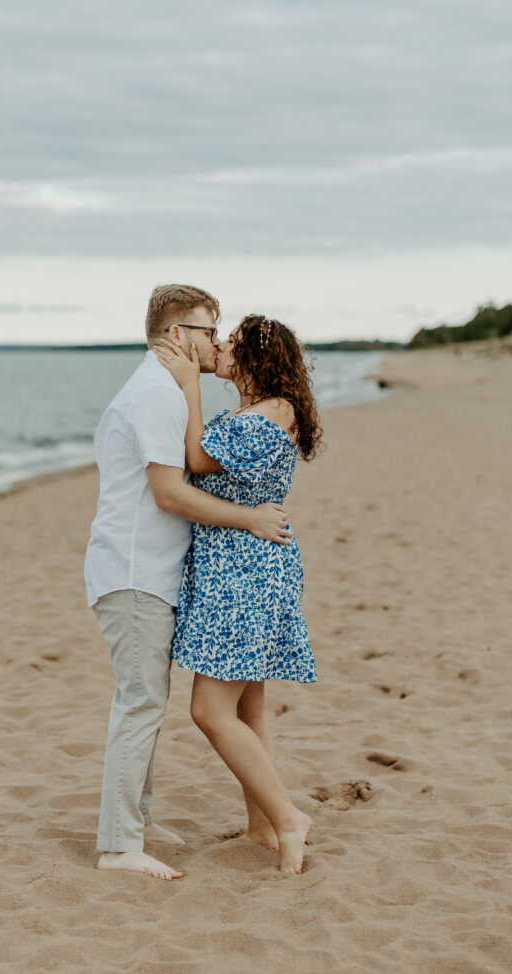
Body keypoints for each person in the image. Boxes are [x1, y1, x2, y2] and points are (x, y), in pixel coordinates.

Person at [84, 286, 291, 882]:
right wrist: (253, 517)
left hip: (148, 572)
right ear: (178, 335)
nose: (216, 340)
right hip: (133, 572)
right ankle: (120, 845)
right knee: (142, 702)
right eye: (209, 329)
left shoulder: (167, 390)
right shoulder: (156, 395)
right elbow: (171, 492)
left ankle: (132, 825)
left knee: (146, 701)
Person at [156, 314, 322, 874]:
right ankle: (260, 825)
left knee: (208, 709)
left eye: (229, 344)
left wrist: (188, 385)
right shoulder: (261, 411)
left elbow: (198, 460)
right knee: (249, 706)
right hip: (243, 566)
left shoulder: (271, 411)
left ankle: (287, 817)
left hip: (247, 572)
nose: (219, 349)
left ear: (253, 358)